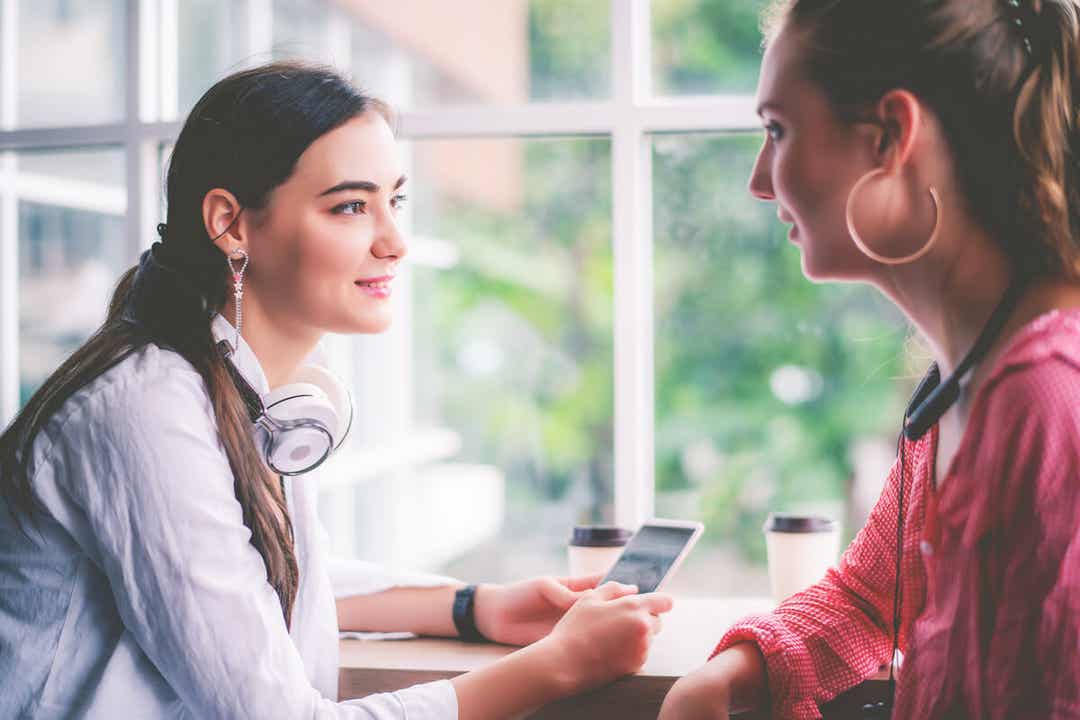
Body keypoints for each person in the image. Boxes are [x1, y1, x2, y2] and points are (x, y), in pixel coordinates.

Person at [0, 61, 673, 719]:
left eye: (395, 201)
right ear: (232, 224)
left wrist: (472, 606)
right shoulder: (144, 411)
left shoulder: (249, 389)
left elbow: (244, 580)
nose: (395, 241)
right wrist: (558, 666)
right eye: (351, 206)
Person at [658, 0, 1080, 718]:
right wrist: (729, 676)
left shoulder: (1043, 401)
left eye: (778, 131)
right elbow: (868, 596)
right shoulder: (966, 379)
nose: (759, 181)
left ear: (889, 137)